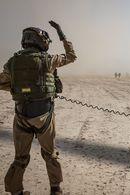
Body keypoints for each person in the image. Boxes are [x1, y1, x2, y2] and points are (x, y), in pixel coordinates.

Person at [0, 20, 77, 195]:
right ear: (41, 41)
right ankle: (55, 189)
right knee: (49, 154)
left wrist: (20, 88)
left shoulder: (12, 62)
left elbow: (3, 82)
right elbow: (71, 56)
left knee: (20, 158)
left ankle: (16, 191)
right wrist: (61, 32)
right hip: (44, 116)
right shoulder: (49, 60)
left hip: (21, 116)